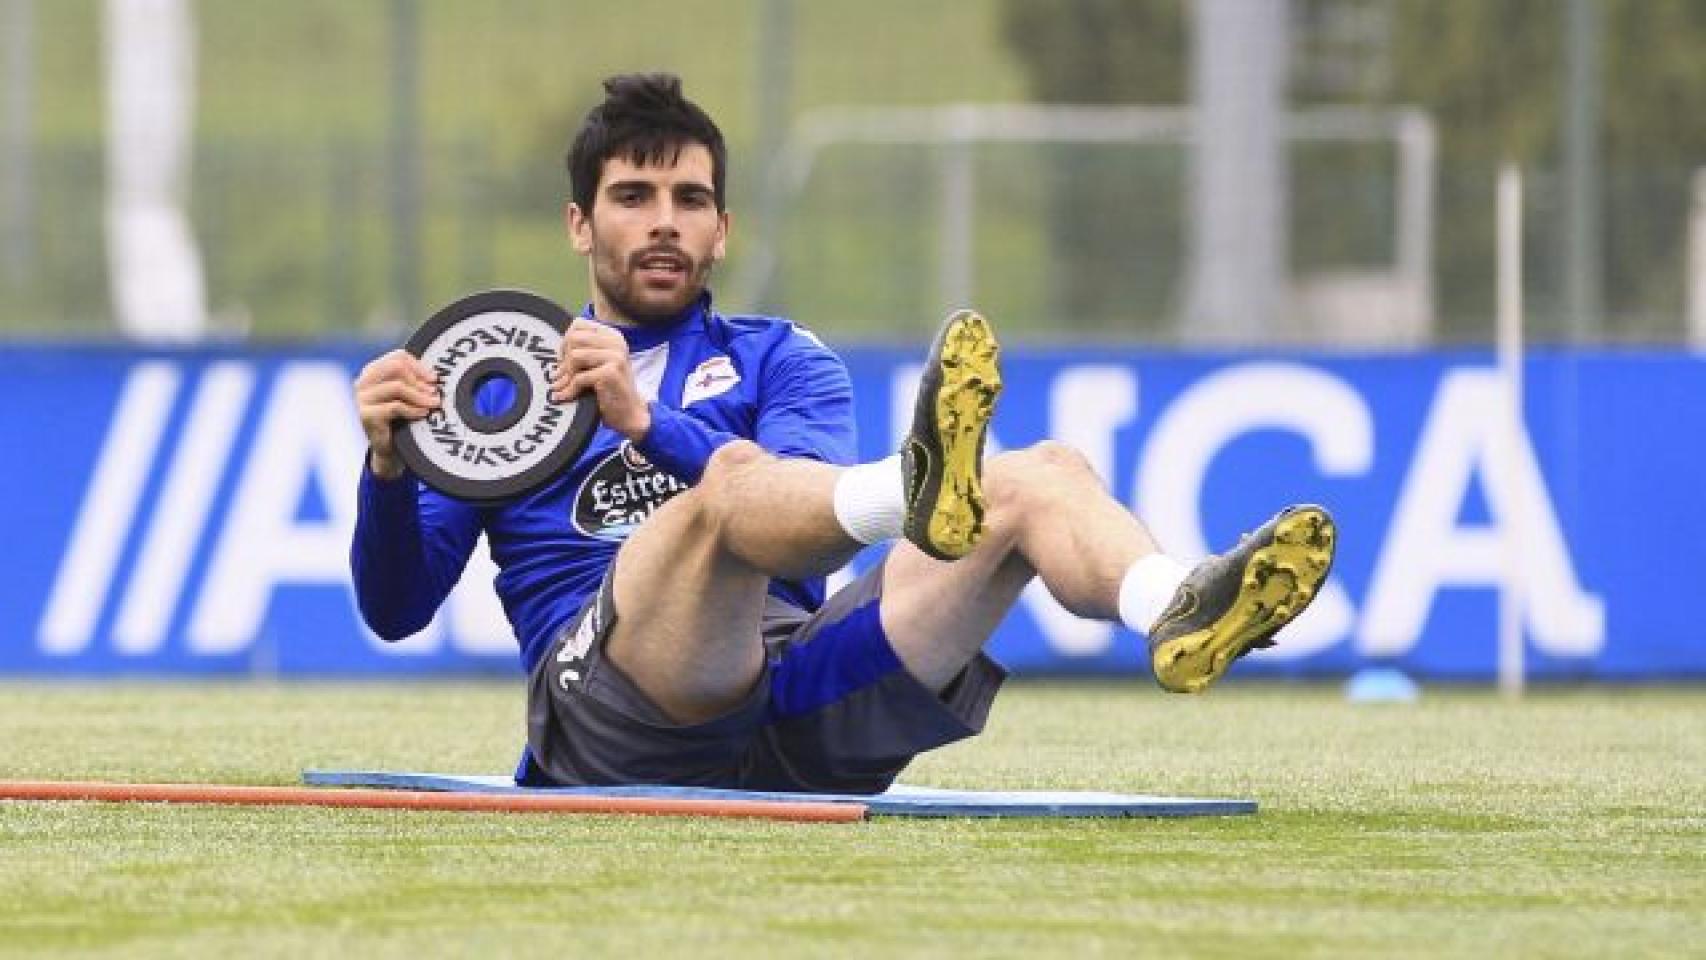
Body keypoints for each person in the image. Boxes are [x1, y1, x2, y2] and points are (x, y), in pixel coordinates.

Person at [350, 73, 1336, 794]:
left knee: (1039, 473)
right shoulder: (500, 384)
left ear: (722, 229)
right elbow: (396, 610)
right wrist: (388, 470)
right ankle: (908, 489)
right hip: (609, 718)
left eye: (689, 201)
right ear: (578, 225)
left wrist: (649, 423)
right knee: (728, 487)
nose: (664, 224)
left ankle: (1175, 603)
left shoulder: (783, 357)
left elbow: (802, 509)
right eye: (632, 198)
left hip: (790, 704)